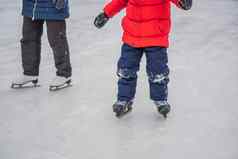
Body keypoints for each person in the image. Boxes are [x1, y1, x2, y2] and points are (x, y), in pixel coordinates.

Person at [94, 0, 192, 118]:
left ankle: (160, 100)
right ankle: (124, 100)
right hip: (132, 36)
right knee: (126, 70)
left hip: (156, 36)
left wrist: (183, 2)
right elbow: (120, 1)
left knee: (157, 71)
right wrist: (106, 14)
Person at [11, 0, 72, 91]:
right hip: (31, 5)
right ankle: (30, 73)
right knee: (29, 37)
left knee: (56, 39)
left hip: (53, 5)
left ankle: (64, 74)